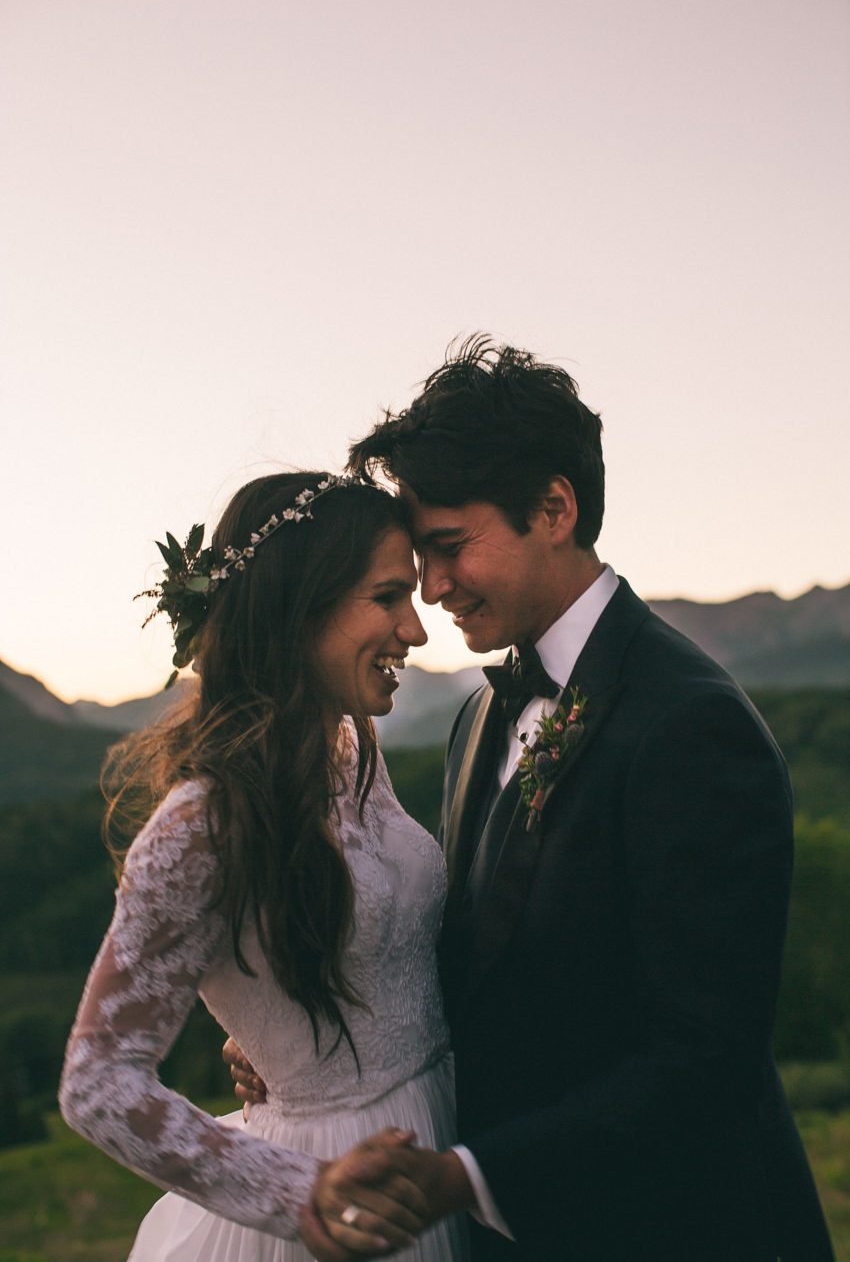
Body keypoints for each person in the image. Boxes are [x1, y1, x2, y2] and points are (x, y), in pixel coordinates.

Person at [230, 338, 835, 1261]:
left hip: (677, 1229)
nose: (431, 591)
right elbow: (483, 961)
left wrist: (469, 1176)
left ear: (555, 508)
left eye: (449, 547)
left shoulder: (693, 727)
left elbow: (704, 1060)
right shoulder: (479, 714)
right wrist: (321, 1045)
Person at [59, 470, 469, 1262]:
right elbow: (97, 1080)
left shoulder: (351, 750)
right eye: (388, 597)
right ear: (300, 607)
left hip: (446, 1129)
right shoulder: (203, 822)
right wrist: (295, 1187)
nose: (414, 631)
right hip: (342, 1185)